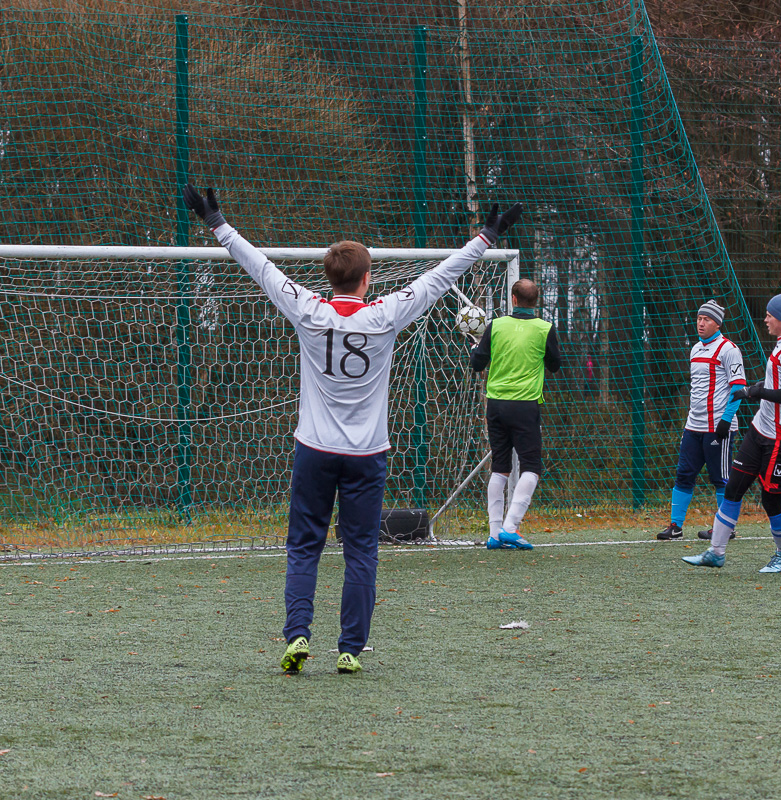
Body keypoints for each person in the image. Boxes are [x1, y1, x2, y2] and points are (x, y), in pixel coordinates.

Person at [183, 183, 522, 674]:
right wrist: (487, 236)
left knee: (304, 547)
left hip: (315, 451)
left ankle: (298, 635)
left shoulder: (307, 309)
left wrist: (217, 223)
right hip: (366, 455)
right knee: (361, 550)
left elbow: (260, 267)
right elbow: (440, 276)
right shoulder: (385, 315)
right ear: (367, 279)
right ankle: (350, 649)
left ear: (330, 277)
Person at [681, 294, 781, 574]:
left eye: (769, 315)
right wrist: (757, 389)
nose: (765, 319)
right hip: (760, 429)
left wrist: (754, 391)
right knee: (733, 488)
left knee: (771, 499)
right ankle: (716, 552)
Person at [470, 278, 562, 549]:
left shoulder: (496, 326)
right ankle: (510, 527)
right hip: (524, 406)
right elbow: (555, 365)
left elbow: (477, 364)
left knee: (500, 467)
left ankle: (494, 534)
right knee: (531, 467)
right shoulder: (545, 328)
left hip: (496, 405)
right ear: (536, 301)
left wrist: (476, 348)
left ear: (513, 299)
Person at [657, 301, 746, 541]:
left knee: (721, 478)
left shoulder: (729, 349)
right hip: (693, 427)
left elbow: (738, 387)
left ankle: (726, 527)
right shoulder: (695, 349)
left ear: (718, 323)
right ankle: (675, 526)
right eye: (699, 318)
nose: (701, 323)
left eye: (706, 319)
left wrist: (726, 420)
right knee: (683, 475)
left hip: (718, 428)